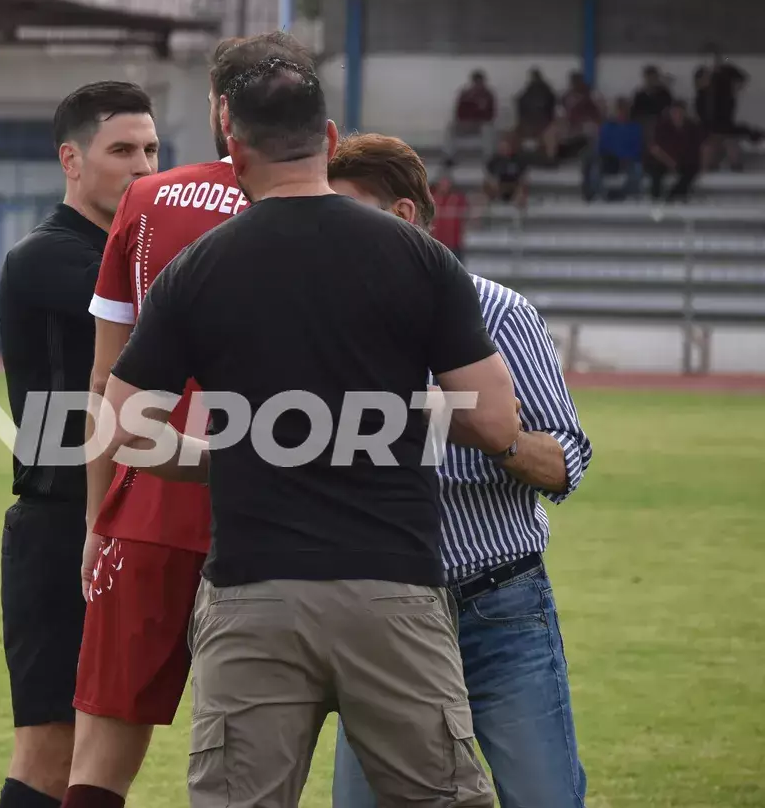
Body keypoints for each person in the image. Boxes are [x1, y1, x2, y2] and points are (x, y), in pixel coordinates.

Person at [96, 56, 519, 808]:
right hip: (392, 587)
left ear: (234, 147)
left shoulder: (197, 269)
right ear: (327, 137)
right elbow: (494, 420)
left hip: (253, 590)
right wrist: (384, 420)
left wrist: (226, 456)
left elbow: (125, 428)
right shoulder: (420, 257)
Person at [65, 33, 314, 808]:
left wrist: (96, 519)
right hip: (282, 512)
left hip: (149, 507)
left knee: (99, 757)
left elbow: (104, 381)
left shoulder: (147, 200)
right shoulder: (328, 203)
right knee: (259, 763)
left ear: (219, 108)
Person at [325, 132, 594, 808]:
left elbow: (567, 459)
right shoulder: (325, 324)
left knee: (543, 797)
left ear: (403, 215)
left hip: (496, 604)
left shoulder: (498, 313)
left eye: (345, 214)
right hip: (381, 618)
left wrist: (490, 433)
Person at [0, 81, 158, 808]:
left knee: (108, 756)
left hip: (136, 518)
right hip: (62, 525)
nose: (143, 166)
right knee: (51, 756)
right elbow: (160, 317)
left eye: (151, 150)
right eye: (122, 150)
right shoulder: (49, 256)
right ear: (71, 159)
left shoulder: (135, 253)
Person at [584, 98, 645, 202]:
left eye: (624, 110)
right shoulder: (607, 127)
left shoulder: (635, 128)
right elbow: (602, 147)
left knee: (637, 168)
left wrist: (626, 158)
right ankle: (599, 193)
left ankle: (626, 193)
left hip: (629, 160)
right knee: (595, 167)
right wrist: (613, 157)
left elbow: (637, 148)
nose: (622, 113)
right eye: (620, 110)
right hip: (610, 160)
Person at [647, 101, 706, 202]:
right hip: (664, 160)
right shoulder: (663, 127)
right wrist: (669, 162)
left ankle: (674, 195)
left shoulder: (692, 128)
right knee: (655, 169)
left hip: (683, 161)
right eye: (674, 112)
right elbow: (655, 149)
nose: (677, 115)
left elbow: (697, 148)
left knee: (691, 170)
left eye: (679, 112)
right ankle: (655, 196)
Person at [550, 71, 604, 166]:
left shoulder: (592, 95)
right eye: (573, 82)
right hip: (570, 127)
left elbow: (599, 115)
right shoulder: (566, 96)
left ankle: (591, 156)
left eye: (577, 81)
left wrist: (587, 121)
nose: (575, 84)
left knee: (590, 128)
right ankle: (555, 157)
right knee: (553, 130)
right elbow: (560, 112)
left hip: (586, 127)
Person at [514, 67, 558, 161]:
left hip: (542, 121)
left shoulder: (544, 90)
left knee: (548, 137)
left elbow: (551, 104)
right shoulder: (530, 90)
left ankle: (549, 157)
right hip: (532, 121)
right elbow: (520, 102)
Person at [430, 168, 470, 262]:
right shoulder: (432, 198)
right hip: (436, 242)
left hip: (454, 242)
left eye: (446, 183)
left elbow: (466, 214)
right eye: (442, 183)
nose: (444, 186)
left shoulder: (458, 198)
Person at [484, 133, 529, 209]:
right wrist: (493, 181)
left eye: (506, 147)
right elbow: (489, 175)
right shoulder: (494, 160)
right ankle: (490, 205)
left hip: (514, 184)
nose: (504, 149)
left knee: (523, 185)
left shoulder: (518, 159)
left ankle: (520, 206)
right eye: (502, 147)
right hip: (500, 183)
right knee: (488, 183)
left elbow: (523, 175)